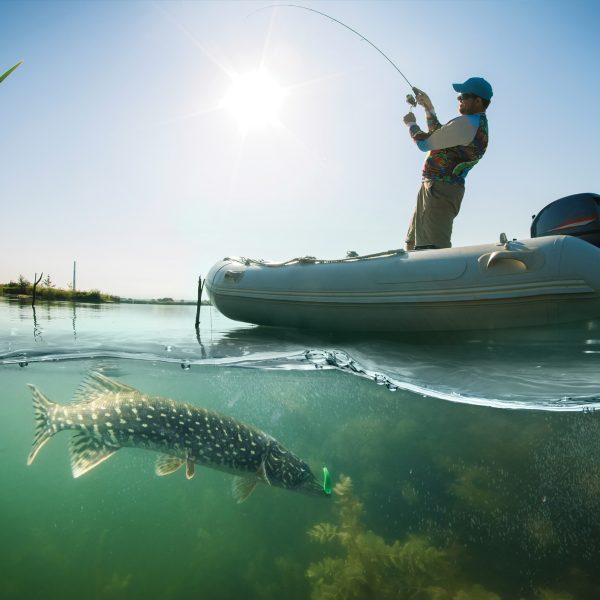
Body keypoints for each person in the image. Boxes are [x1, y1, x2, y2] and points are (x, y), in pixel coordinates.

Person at [403, 77, 492, 250]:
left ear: (478, 100)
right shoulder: (473, 123)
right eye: (458, 96)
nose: (459, 99)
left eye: (463, 96)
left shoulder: (467, 124)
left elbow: (425, 143)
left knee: (430, 250)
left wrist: (411, 124)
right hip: (434, 188)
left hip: (439, 191)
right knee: (412, 243)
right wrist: (428, 108)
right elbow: (439, 136)